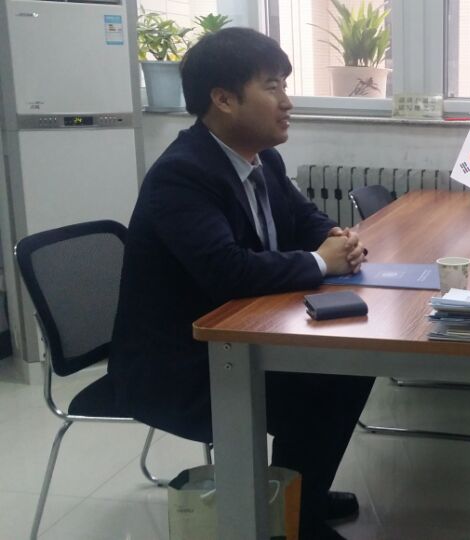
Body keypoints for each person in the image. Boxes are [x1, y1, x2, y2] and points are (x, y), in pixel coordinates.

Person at [109, 27, 373, 540]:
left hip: (244, 334)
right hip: (183, 363)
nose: (287, 102)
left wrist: (336, 239)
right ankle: (293, 518)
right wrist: (320, 264)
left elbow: (303, 218)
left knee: (349, 367)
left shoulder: (263, 158)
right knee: (325, 382)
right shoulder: (182, 175)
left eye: (285, 86)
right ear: (224, 99)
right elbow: (227, 271)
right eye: (272, 87)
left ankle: (300, 497)